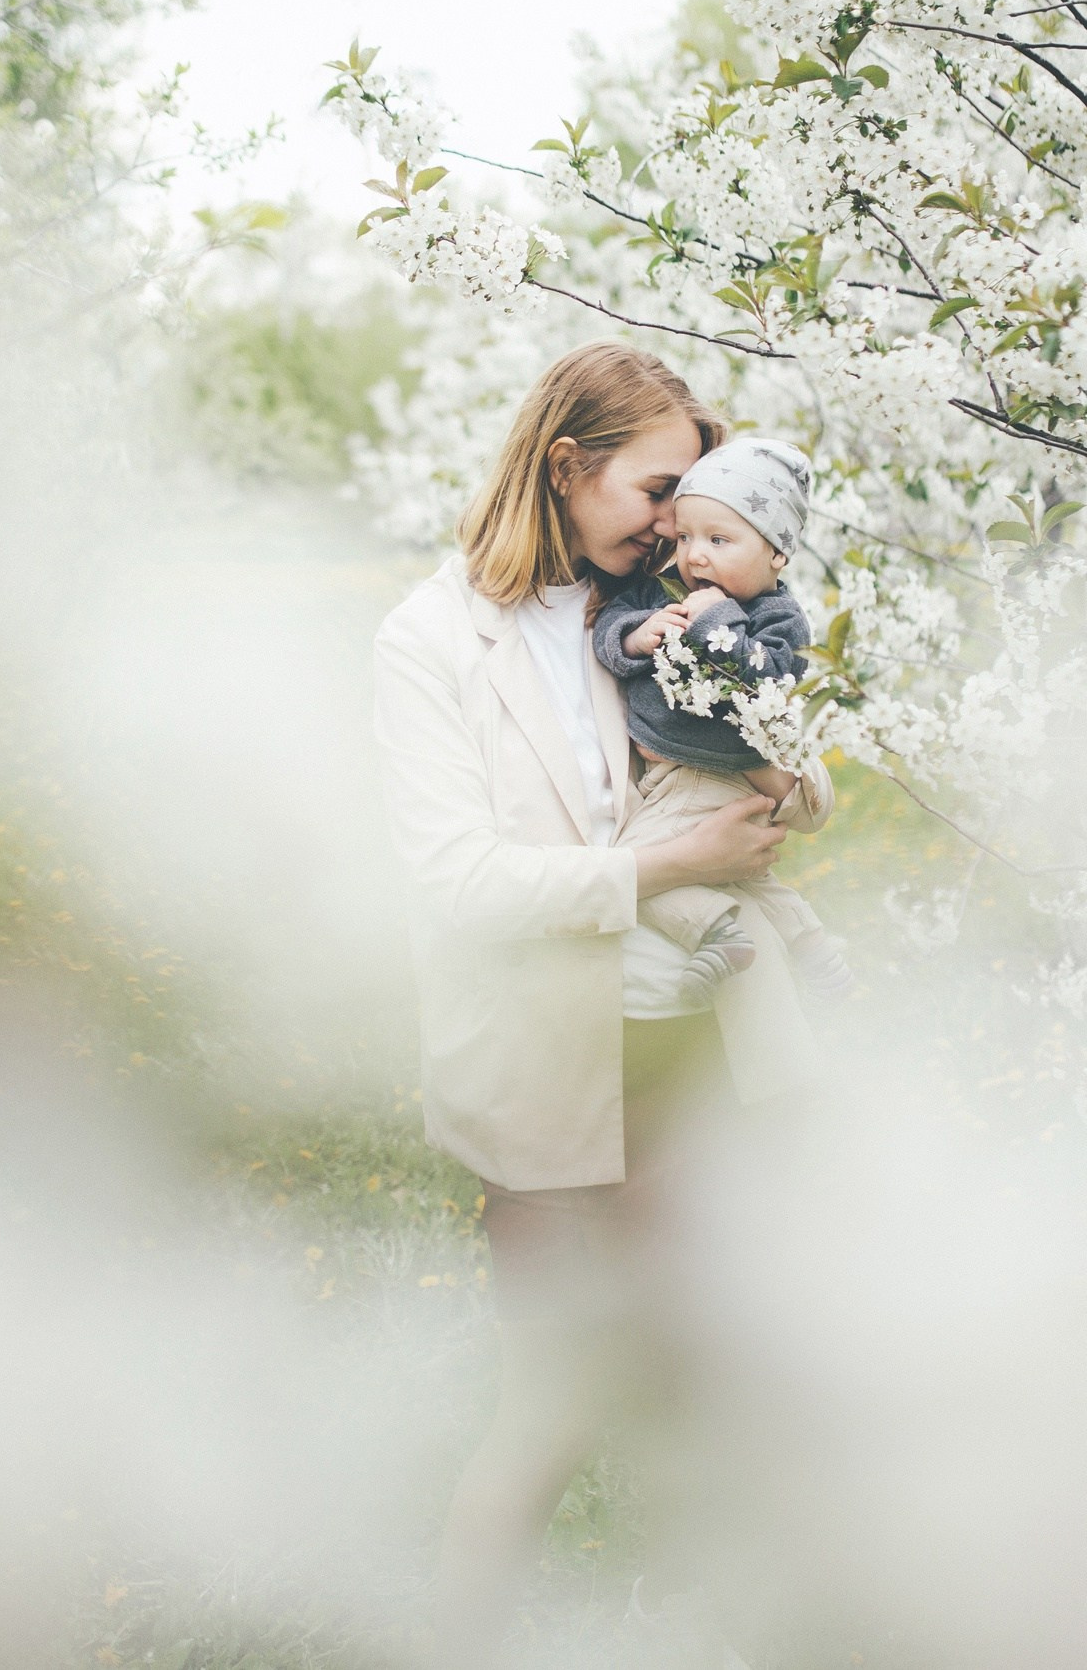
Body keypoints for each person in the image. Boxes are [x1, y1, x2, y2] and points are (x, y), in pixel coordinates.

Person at [372, 341, 823, 1667]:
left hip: (693, 1054)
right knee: (552, 1400)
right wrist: (667, 866)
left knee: (727, 1376)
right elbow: (457, 881)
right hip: (544, 1074)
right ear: (567, 467)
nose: (678, 519)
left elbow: (770, 762)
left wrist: (784, 786)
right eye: (658, 484)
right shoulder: (431, 640)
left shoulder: (673, 609)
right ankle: (462, 1633)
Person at [592, 435, 854, 1006]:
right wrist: (635, 637)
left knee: (629, 872)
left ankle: (713, 929)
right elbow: (611, 625)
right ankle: (812, 948)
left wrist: (716, 626)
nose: (695, 555)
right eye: (684, 537)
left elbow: (768, 683)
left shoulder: (777, 617)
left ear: (776, 555)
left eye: (718, 539)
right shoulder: (662, 590)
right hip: (674, 774)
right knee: (749, 877)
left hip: (710, 774)